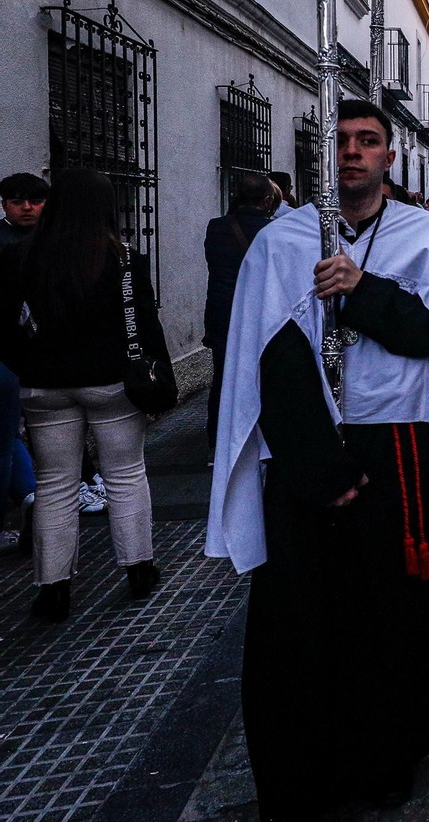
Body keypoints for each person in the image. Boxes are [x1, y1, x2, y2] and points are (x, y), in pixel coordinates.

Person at [206, 100, 429, 822]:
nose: (352, 153)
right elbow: (261, 356)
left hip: (400, 447)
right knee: (298, 625)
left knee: (393, 609)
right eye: (341, 141)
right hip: (307, 455)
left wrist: (361, 288)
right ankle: (289, 808)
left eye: (368, 142)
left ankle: (386, 749)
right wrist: (315, 463)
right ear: (325, 155)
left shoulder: (425, 237)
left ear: (389, 157)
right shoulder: (281, 242)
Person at [0, 170, 165, 620]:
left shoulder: (19, 258)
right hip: (112, 383)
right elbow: (144, 324)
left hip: (44, 387)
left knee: (55, 484)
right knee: (126, 474)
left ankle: (52, 589)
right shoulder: (124, 259)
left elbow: (6, 328)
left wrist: (28, 367)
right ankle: (139, 569)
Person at [204, 173, 276, 452]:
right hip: (258, 314)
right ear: (267, 200)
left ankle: (217, 443)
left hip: (222, 314)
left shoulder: (215, 228)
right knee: (263, 378)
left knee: (223, 380)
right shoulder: (273, 231)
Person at [0, 173, 46, 550]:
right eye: (17, 201)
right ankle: (30, 498)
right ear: (4, 205)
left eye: (34, 200)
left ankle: (29, 499)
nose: (27, 208)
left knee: (8, 437)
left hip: (38, 356)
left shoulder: (54, 239)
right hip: (11, 354)